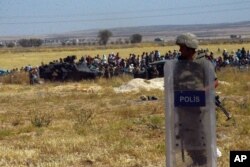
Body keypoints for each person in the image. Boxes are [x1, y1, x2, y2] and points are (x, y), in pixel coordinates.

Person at [174, 33, 218, 166]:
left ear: (190, 48)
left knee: (200, 137)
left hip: (200, 108)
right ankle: (196, 160)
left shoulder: (204, 63)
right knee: (187, 137)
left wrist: (203, 91)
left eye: (182, 47)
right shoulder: (179, 64)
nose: (180, 50)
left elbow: (215, 82)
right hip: (183, 106)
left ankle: (204, 161)